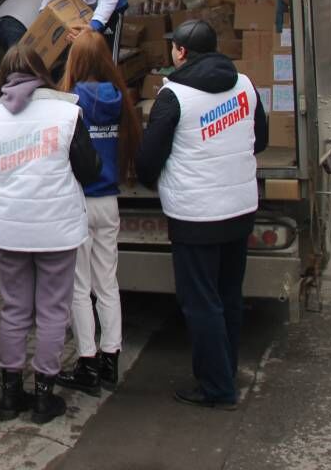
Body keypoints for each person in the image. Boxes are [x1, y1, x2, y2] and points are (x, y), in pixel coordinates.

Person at [135, 20, 268, 410]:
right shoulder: (245, 84)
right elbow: (260, 139)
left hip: (195, 216)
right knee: (228, 296)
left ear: (181, 52)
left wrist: (152, 178)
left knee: (200, 303)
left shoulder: (173, 95)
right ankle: (224, 371)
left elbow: (148, 159)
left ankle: (216, 388)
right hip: (240, 209)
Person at [0, 42, 101, 424]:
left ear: (5, 75)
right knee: (52, 310)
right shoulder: (68, 113)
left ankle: (10, 395)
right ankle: (45, 396)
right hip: (57, 229)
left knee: (14, 309)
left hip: (10, 227)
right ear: (42, 72)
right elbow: (89, 168)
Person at [56, 31, 142, 395]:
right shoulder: (120, 99)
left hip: (77, 200)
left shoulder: (69, 101)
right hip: (109, 200)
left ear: (75, 61)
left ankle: (87, 362)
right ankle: (112, 357)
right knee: (108, 282)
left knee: (79, 287)